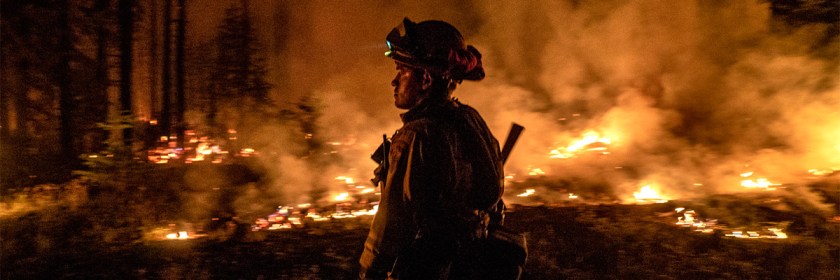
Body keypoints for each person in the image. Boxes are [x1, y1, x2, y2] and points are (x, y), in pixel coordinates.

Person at [359, 18, 509, 279]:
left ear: (426, 78)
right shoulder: (470, 119)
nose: (394, 82)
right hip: (468, 265)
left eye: (402, 71)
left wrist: (368, 271)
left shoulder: (417, 136)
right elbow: (493, 198)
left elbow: (391, 223)